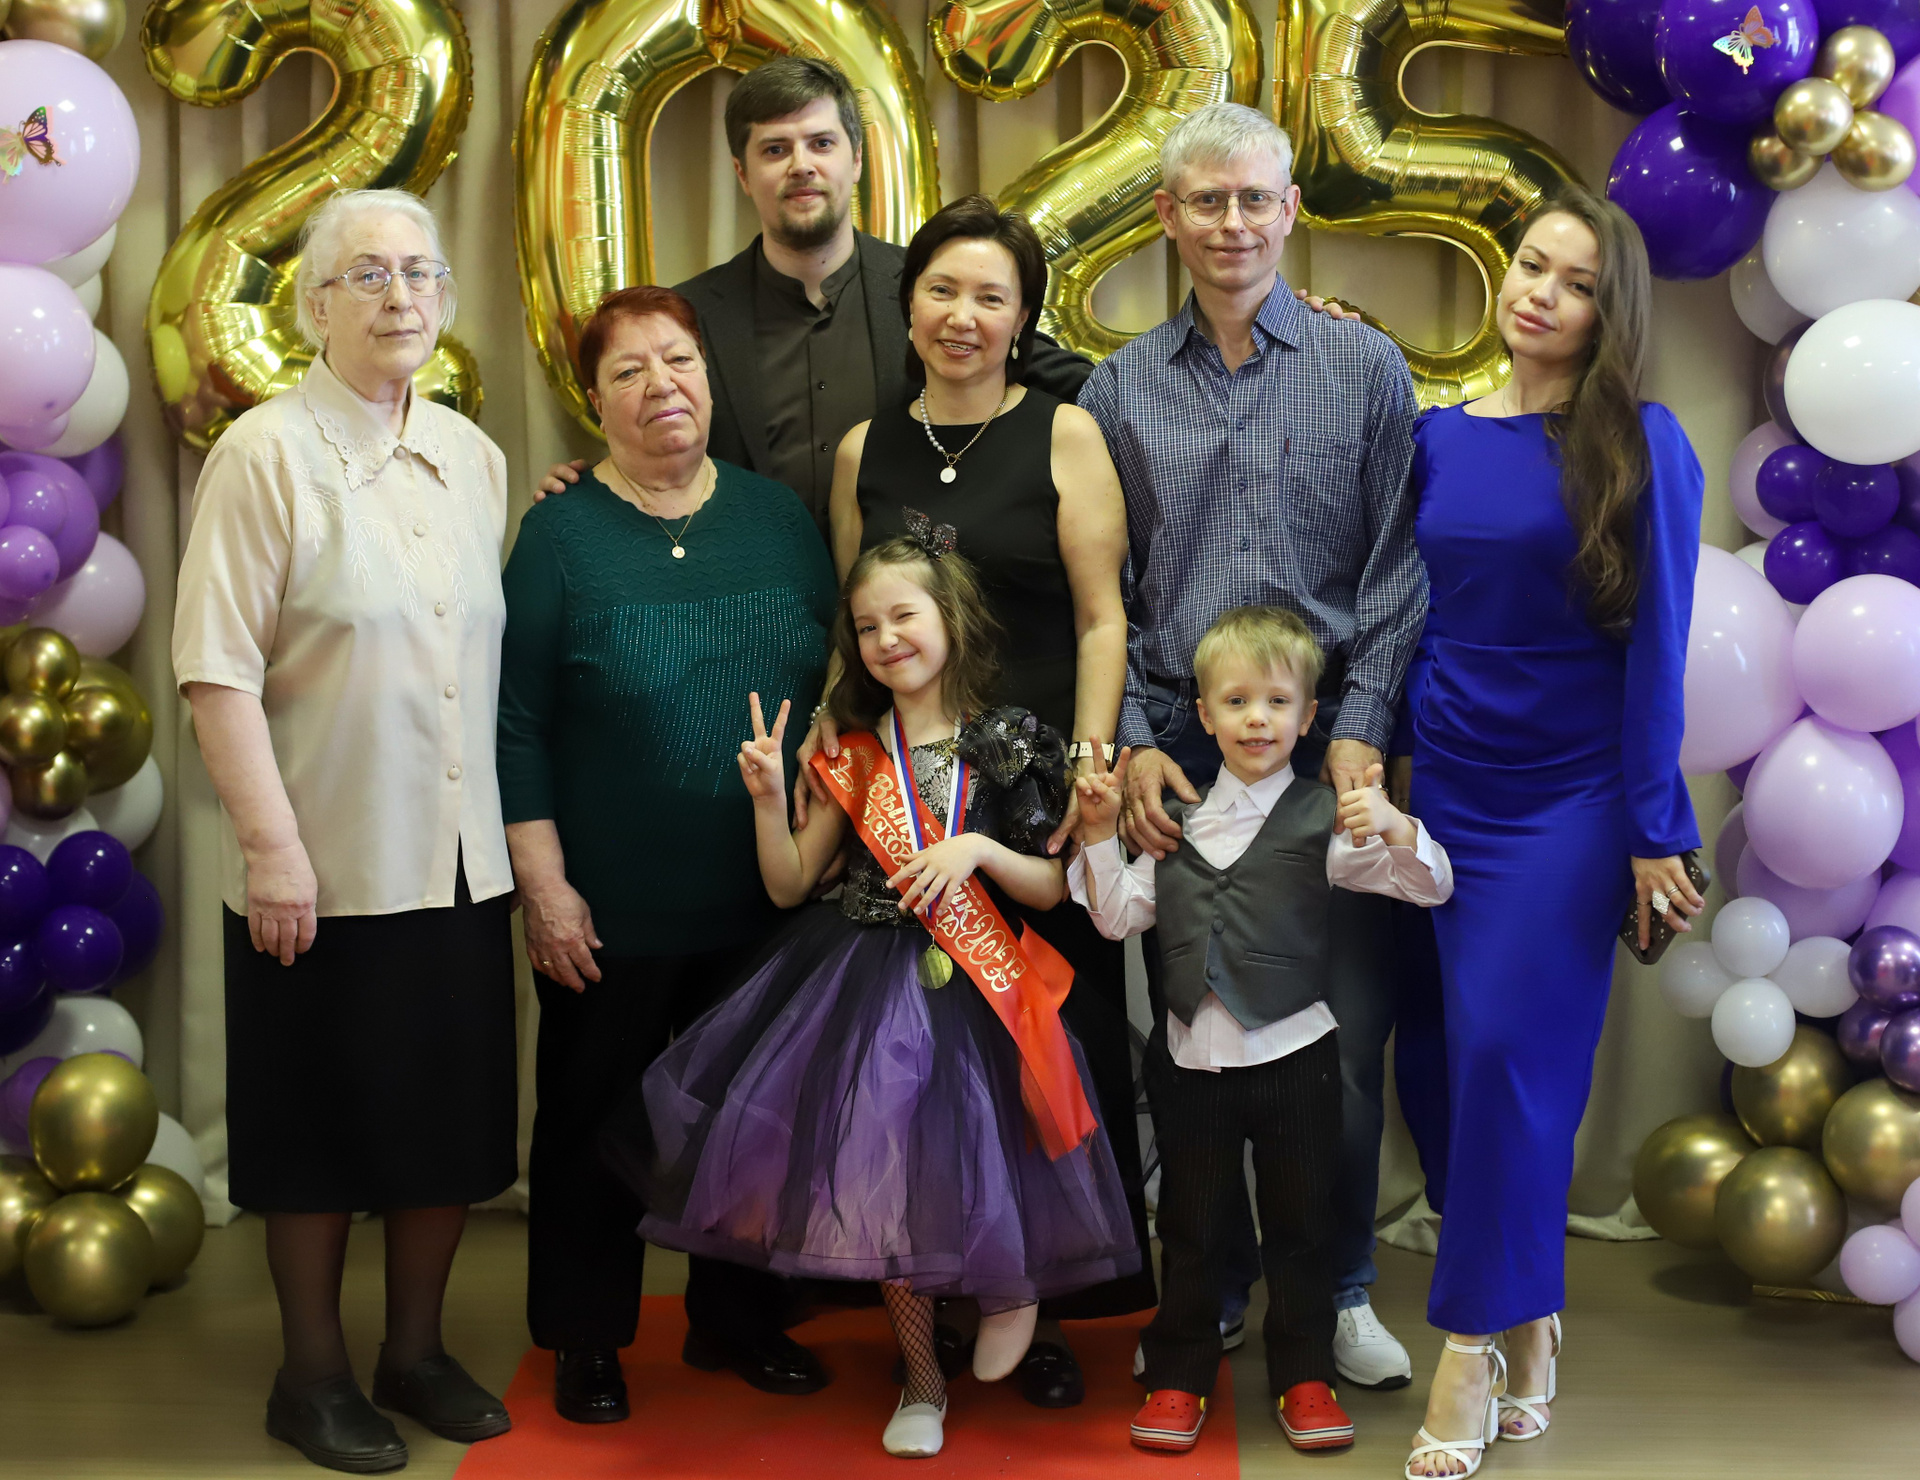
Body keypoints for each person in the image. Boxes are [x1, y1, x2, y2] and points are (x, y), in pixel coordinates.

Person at [603, 532, 1141, 1459]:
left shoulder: (1010, 739)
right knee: (886, 1177)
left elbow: (1054, 888)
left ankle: (1009, 1291)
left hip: (981, 987)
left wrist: (978, 851)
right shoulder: (849, 754)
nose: (887, 638)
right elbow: (787, 885)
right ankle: (920, 1377)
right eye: (865, 626)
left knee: (986, 1159)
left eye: (904, 615)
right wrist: (767, 799)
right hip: (864, 987)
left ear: (951, 619)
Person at [1077, 101, 1426, 1387]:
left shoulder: (1364, 368)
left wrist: (1362, 734)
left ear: (1291, 210)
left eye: (1255, 199)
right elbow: (1106, 597)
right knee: (1198, 1045)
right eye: (1208, 201)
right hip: (1178, 751)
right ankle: (1213, 1285)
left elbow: (1397, 572)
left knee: (1340, 1050)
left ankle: (1339, 1289)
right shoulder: (1116, 389)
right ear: (1166, 216)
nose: (1233, 223)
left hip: (1326, 746)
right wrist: (1131, 744)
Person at [172, 188, 515, 1474]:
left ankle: (413, 1351)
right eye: (367, 274)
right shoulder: (264, 454)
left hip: (458, 858)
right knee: (313, 1138)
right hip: (317, 864)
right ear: (315, 304)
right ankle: (309, 1374)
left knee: (445, 1132)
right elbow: (215, 671)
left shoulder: (473, 456)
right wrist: (272, 849)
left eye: (420, 272)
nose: (399, 295)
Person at [808, 193, 1145, 1406]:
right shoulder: (864, 449)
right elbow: (856, 621)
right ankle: (934, 1310)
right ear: (909, 306)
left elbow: (1103, 617)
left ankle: (1043, 1306)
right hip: (912, 792)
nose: (963, 315)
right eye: (942, 290)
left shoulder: (1065, 434)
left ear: (1021, 318)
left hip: (1035, 795)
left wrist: (1092, 763)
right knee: (919, 1067)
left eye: (990, 296)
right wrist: (832, 730)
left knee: (1044, 1049)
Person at [1393, 186, 1704, 1479]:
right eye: (1533, 266)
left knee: (1511, 1064)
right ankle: (1532, 1320)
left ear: (1608, 312)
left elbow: (1661, 651)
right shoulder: (1436, 435)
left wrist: (1654, 829)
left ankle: (1469, 1343)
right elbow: (1404, 613)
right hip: (1439, 793)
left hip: (1569, 803)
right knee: (1445, 1069)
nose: (1543, 295)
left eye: (1578, 284)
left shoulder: (1642, 443)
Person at [495, 285, 838, 1426]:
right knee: (593, 1120)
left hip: (767, 895)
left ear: (707, 375)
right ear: (594, 403)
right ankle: (587, 1337)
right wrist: (544, 887)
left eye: (678, 360)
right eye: (629, 371)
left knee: (754, 1118)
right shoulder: (559, 535)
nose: (661, 386)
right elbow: (517, 725)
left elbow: (838, 680)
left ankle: (736, 1320)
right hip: (612, 906)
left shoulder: (777, 516)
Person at [1068, 606, 1453, 1456]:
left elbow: (1429, 888)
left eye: (1277, 702)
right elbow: (1116, 917)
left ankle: (1305, 1373)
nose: (1257, 720)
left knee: (1301, 1228)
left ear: (1309, 717)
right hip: (1191, 1064)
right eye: (1236, 701)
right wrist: (1097, 837)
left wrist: (1396, 825)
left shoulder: (1328, 817)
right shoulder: (1172, 824)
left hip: (1295, 1058)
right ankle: (1180, 1375)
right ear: (1203, 715)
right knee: (1192, 1227)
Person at [540, 57, 1092, 530]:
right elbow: (653, 448)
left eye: (821, 143)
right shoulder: (688, 317)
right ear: (742, 173)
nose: (801, 165)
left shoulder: (931, 293)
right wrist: (592, 488)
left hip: (908, 603)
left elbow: (1076, 383)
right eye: (775, 149)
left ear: (856, 159)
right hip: (753, 600)